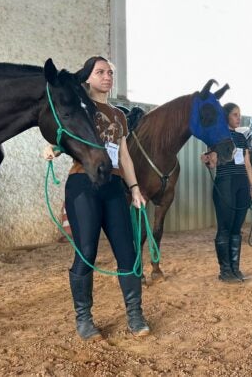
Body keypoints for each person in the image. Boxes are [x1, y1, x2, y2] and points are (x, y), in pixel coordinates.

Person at [43, 56, 150, 340]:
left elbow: (124, 155)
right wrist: (54, 148)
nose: (107, 76)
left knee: (128, 252)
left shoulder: (118, 115)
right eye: (100, 72)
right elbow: (66, 133)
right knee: (86, 251)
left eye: (110, 72)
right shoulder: (79, 107)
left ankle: (135, 314)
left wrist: (135, 188)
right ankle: (84, 318)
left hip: (114, 187)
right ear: (87, 77)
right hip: (83, 184)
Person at [201, 103, 252, 283]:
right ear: (226, 117)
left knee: (236, 228)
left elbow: (247, 164)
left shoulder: (242, 137)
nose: (238, 118)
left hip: (242, 185)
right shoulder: (216, 137)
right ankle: (225, 270)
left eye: (239, 115)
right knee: (224, 228)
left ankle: (235, 268)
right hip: (225, 183)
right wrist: (207, 160)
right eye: (235, 115)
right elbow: (213, 164)